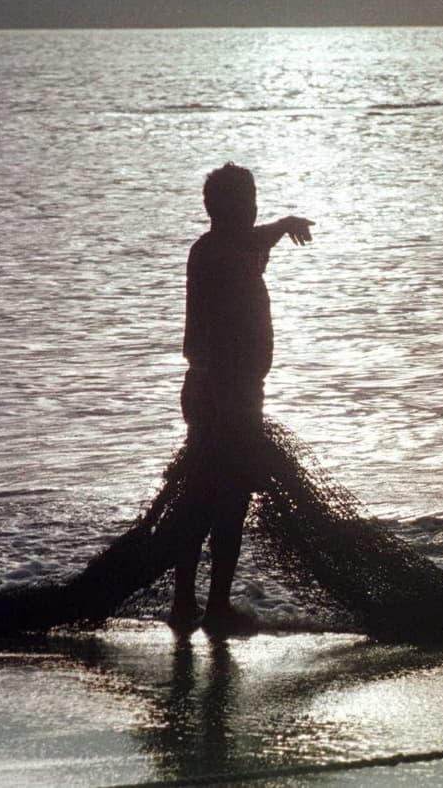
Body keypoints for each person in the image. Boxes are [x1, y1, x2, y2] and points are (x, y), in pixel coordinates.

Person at [175, 163, 314, 635]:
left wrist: (283, 225)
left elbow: (256, 239)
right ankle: (213, 608)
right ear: (233, 207)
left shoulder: (215, 247)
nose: (256, 207)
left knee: (201, 495)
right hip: (223, 396)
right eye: (250, 200)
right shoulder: (223, 258)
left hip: (218, 392)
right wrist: (228, 406)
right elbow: (217, 339)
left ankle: (185, 604)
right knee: (225, 500)